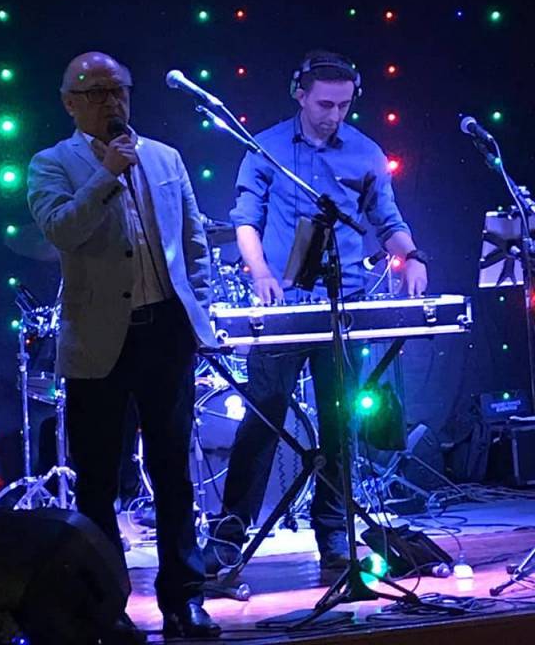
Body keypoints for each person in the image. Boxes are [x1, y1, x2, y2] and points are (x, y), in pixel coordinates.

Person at [207, 50, 428, 574]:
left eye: (344, 105)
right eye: (325, 104)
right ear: (300, 94)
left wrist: (413, 256)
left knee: (341, 421)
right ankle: (229, 534)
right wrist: (260, 273)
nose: (334, 115)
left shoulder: (366, 153)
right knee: (264, 415)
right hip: (283, 304)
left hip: (341, 303)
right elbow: (245, 220)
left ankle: (334, 535)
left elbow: (387, 220)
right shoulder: (264, 147)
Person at [27, 52, 221, 641]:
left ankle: (184, 600)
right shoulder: (51, 164)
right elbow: (62, 229)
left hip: (165, 332)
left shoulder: (165, 157)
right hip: (98, 340)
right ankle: (105, 606)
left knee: (173, 472)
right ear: (70, 103)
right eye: (97, 92)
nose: (112, 101)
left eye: (120, 90)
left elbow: (194, 241)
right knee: (98, 482)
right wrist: (106, 173)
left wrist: (202, 312)